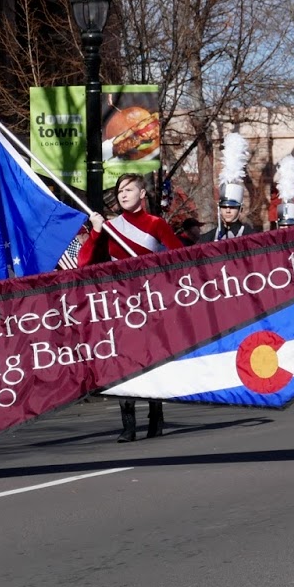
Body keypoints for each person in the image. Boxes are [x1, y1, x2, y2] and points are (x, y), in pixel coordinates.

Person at [78, 173, 184, 440]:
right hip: (120, 304)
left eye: (128, 190)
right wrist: (96, 231)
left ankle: (156, 414)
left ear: (142, 194)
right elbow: (85, 264)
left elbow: (180, 258)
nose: (123, 195)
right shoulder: (112, 226)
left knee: (150, 359)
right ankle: (128, 422)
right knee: (123, 361)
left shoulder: (156, 224)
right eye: (120, 191)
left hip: (150, 302)